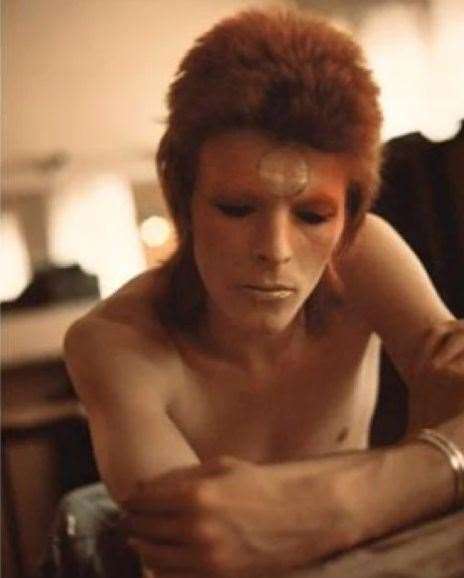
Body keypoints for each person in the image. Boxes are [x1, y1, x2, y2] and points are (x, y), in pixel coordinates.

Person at [64, 8, 464, 578]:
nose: (274, 250)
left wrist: (343, 503)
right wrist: (428, 469)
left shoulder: (359, 255)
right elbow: (203, 543)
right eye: (235, 208)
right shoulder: (113, 342)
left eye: (313, 215)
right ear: (185, 203)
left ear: (348, 220)